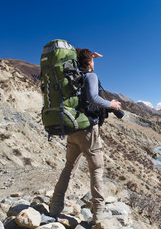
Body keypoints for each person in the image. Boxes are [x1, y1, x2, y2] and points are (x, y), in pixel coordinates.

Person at [49, 48, 121, 223]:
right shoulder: (90, 76)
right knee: (96, 169)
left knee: (69, 168)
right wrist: (111, 104)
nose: (94, 62)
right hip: (88, 130)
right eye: (92, 60)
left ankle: (55, 205)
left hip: (72, 128)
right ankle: (99, 212)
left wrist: (88, 55)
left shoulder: (72, 76)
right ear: (89, 62)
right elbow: (93, 97)